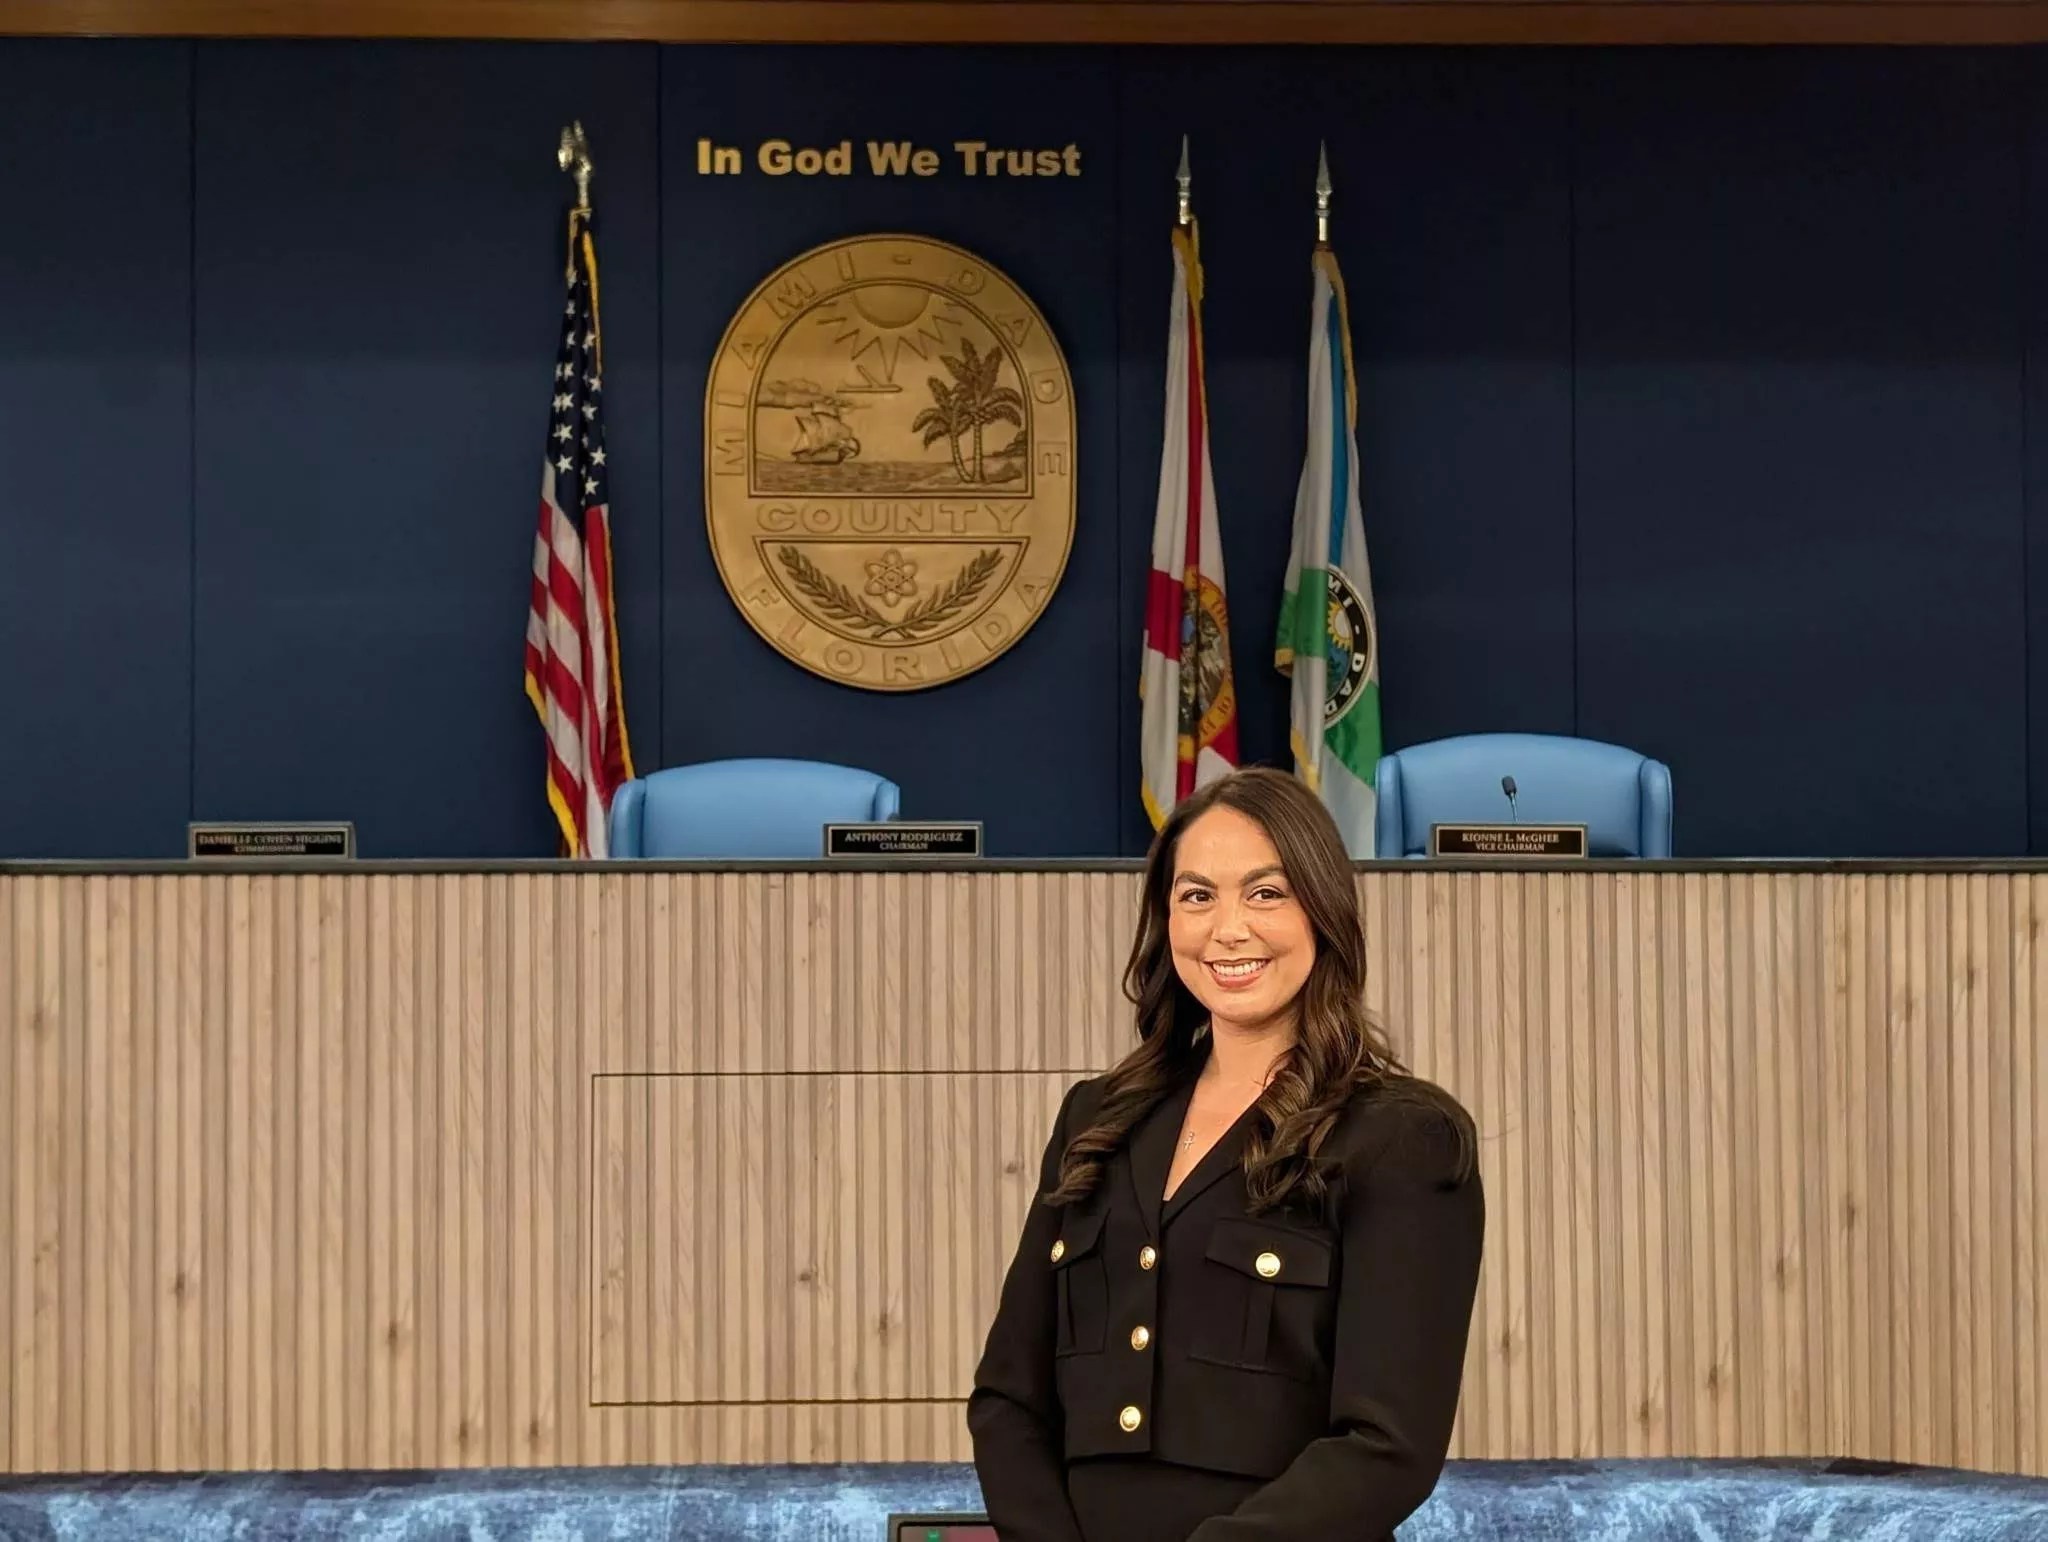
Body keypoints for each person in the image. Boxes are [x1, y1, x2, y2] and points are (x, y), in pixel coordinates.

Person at [968, 767, 1483, 1542]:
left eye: (1266, 893)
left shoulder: (1402, 1138)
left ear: (1323, 909)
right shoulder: (1095, 1119)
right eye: (1197, 895)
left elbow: (1387, 1447)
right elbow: (1010, 1399)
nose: (1227, 928)